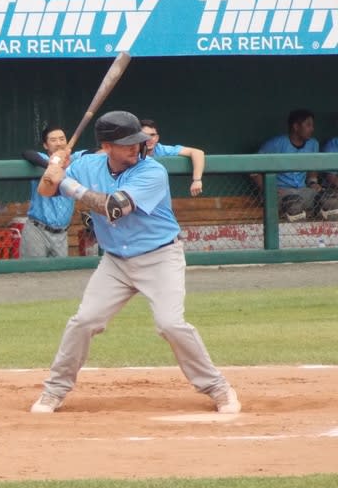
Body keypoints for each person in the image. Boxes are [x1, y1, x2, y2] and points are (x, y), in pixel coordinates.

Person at [29, 110, 240, 415]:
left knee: (170, 324)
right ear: (106, 147)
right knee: (84, 321)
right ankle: (54, 391)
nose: (135, 147)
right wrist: (55, 165)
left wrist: (68, 183)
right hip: (116, 262)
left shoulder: (152, 172)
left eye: (137, 141)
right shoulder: (88, 164)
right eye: (126, 143)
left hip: (159, 257)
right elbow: (46, 189)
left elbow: (114, 208)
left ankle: (218, 388)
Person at [250, 109, 333, 222]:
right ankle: (300, 236)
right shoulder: (275, 143)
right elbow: (253, 170)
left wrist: (312, 182)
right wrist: (268, 189)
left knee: (329, 201)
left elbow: (313, 168)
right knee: (294, 205)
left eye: (312, 125)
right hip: (281, 193)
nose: (312, 129)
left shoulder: (313, 144)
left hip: (303, 191)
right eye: (308, 125)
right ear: (296, 127)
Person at [20, 125, 89, 258]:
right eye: (53, 140)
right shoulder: (42, 158)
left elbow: (94, 152)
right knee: (33, 273)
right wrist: (52, 167)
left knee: (59, 275)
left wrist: (64, 161)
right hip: (37, 230)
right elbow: (27, 153)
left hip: (62, 233)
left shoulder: (74, 159)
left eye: (62, 139)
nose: (58, 143)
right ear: (46, 145)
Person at [140, 119, 206, 196]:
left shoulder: (161, 149)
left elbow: (197, 153)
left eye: (152, 135)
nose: (149, 139)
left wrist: (197, 180)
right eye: (144, 135)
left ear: (157, 138)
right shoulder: (131, 151)